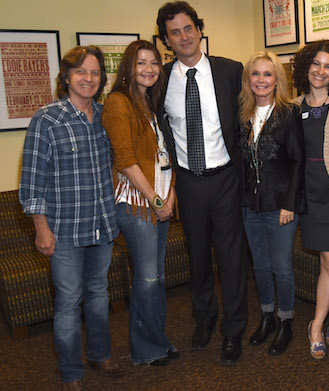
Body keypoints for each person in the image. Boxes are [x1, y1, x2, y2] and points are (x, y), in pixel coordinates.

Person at [19, 46, 124, 391]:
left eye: (95, 73)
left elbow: (114, 164)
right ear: (66, 77)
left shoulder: (105, 116)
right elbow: (32, 180)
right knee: (67, 303)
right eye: (81, 72)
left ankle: (99, 354)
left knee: (98, 294)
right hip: (63, 231)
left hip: (103, 226)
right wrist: (41, 230)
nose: (88, 78)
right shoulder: (47, 119)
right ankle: (70, 373)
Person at [156, 2, 247, 366]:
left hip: (225, 177)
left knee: (232, 259)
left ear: (199, 29)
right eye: (175, 32)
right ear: (166, 40)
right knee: (197, 258)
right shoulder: (160, 79)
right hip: (189, 182)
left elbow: (247, 121)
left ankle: (233, 329)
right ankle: (205, 319)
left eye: (188, 27)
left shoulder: (230, 71)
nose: (184, 36)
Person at [102, 40, 178, 367]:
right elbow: (126, 160)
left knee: (157, 277)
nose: (148, 69)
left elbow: (166, 156)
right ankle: (146, 350)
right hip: (137, 203)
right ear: (128, 68)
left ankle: (156, 341)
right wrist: (158, 199)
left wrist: (170, 195)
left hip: (159, 200)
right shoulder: (118, 102)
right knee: (147, 278)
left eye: (154, 63)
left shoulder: (150, 102)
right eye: (141, 63)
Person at [239, 51, 305, 356]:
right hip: (250, 207)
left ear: (276, 79)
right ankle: (266, 316)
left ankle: (286, 321)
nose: (261, 80)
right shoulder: (242, 114)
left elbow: (298, 161)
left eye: (267, 74)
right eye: (256, 74)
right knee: (261, 266)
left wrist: (290, 204)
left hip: (281, 207)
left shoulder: (288, 113)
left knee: (281, 267)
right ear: (248, 79)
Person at [291, 41, 329, 359]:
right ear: (306, 67)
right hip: (308, 195)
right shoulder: (291, 106)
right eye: (316, 63)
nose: (320, 70)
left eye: (328, 65)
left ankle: (315, 326)